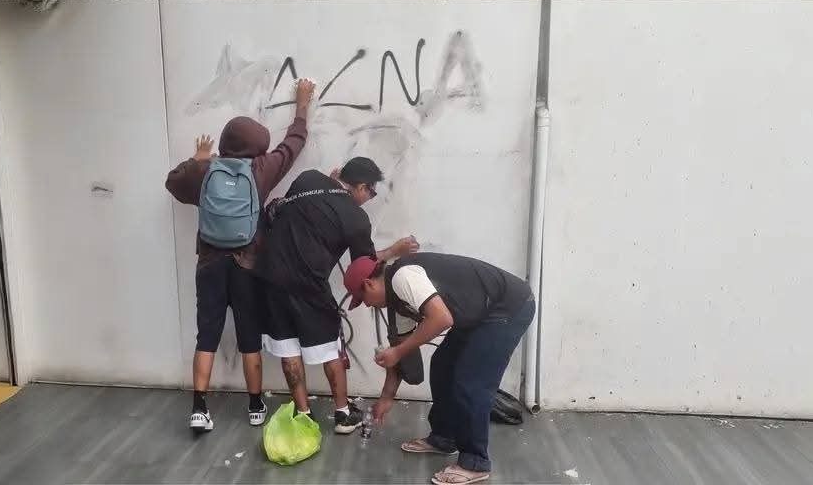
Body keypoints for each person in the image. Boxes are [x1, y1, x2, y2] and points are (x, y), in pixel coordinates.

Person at [165, 78, 315, 434]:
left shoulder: (205, 171)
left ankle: (199, 408)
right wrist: (302, 106)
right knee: (250, 336)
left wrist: (198, 159)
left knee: (207, 335)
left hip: (210, 266)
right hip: (248, 268)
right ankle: (254, 405)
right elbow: (294, 144)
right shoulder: (261, 171)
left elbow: (173, 183)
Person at [256, 157, 419, 434]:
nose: (370, 197)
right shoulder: (356, 219)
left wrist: (334, 180)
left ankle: (303, 413)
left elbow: (317, 196)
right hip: (310, 285)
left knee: (288, 348)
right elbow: (364, 268)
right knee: (331, 348)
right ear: (361, 187)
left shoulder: (307, 178)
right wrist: (395, 250)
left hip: (272, 276)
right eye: (372, 191)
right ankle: (343, 414)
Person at [344, 251, 536, 485]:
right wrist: (386, 397)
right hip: (478, 313)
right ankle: (444, 438)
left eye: (362, 299)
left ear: (368, 284)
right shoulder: (397, 302)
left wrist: (398, 351)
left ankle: (475, 462)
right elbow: (400, 353)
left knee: (471, 381)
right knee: (442, 365)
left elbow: (441, 319)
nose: (366, 305)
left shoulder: (402, 278)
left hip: (507, 306)